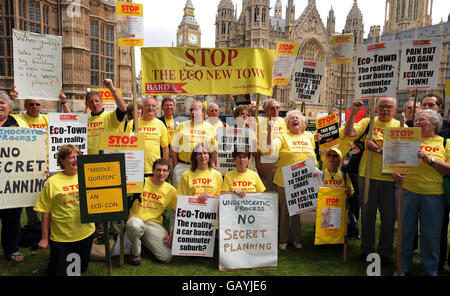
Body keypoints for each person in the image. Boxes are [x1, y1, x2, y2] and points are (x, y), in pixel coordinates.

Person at [392, 110, 450, 276]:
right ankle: (402, 267)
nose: (416, 122)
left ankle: (429, 271)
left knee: (430, 236)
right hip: (407, 191)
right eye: (415, 120)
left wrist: (429, 160)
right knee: (405, 232)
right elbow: (394, 162)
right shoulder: (406, 139)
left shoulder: (445, 142)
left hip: (433, 195)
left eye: (421, 120)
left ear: (434, 124)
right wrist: (395, 173)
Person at [344, 97, 400, 265]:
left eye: (389, 107)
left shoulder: (401, 126)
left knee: (388, 218)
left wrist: (378, 149)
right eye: (382, 106)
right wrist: (354, 111)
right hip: (366, 175)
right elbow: (349, 133)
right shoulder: (368, 122)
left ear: (395, 109)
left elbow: (402, 154)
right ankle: (366, 249)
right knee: (367, 216)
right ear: (376, 108)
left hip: (390, 178)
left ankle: (385, 252)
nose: (385, 110)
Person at [34, 144, 95, 276]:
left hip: (86, 233)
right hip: (62, 237)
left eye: (77, 156)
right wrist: (44, 238)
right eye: (71, 157)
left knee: (80, 269)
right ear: (62, 161)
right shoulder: (52, 182)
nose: (75, 160)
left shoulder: (88, 176)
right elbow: (45, 211)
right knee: (61, 272)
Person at [13, 88, 70, 227]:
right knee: (30, 198)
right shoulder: (19, 119)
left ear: (41, 106)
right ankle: (33, 225)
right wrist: (13, 100)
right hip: (28, 165)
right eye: (31, 104)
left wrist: (63, 102)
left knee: (51, 196)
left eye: (37, 104)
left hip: (48, 165)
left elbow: (69, 119)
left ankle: (50, 224)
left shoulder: (46, 118)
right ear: (25, 106)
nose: (35, 107)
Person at [270, 110, 316, 250]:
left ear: (302, 123)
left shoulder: (309, 136)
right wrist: (269, 134)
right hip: (285, 179)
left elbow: (313, 156)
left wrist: (315, 169)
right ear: (288, 124)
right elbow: (271, 150)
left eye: (297, 118)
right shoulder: (283, 138)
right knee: (285, 211)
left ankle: (295, 239)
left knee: (297, 211)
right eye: (291, 119)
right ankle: (283, 240)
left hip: (303, 180)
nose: (295, 120)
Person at [126, 159, 177, 265]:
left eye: (164, 170)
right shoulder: (140, 182)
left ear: (168, 173)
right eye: (158, 170)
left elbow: (180, 213)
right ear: (153, 170)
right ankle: (135, 252)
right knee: (135, 226)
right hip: (136, 220)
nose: (161, 173)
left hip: (154, 224)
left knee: (166, 257)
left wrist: (172, 235)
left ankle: (143, 240)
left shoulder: (171, 191)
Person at [0, 90, 28, 263]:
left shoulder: (19, 123)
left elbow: (30, 148)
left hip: (12, 181)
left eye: (2, 103)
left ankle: (11, 249)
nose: (0, 106)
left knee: (12, 218)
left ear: (9, 107)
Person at [171, 101, 217, 188]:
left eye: (196, 110)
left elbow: (213, 150)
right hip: (183, 167)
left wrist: (212, 165)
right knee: (181, 196)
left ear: (203, 112)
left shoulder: (211, 129)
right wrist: (176, 166)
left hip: (202, 168)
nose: (192, 112)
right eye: (191, 110)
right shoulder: (181, 126)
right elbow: (174, 148)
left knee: (198, 196)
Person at [82, 79, 128, 155]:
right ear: (86, 104)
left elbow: (123, 109)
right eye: (91, 102)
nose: (94, 104)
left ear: (101, 102)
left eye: (97, 101)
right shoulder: (85, 121)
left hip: (108, 161)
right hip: (90, 162)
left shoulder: (110, 116)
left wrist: (112, 89)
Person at [126, 96, 169, 177]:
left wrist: (164, 167)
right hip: (135, 168)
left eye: (153, 106)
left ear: (157, 109)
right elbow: (125, 147)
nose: (150, 108)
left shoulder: (160, 124)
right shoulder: (132, 123)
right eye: (147, 105)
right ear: (142, 108)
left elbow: (165, 148)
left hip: (155, 169)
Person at [255, 99, 287, 192]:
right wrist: (258, 166)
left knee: (281, 191)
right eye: (272, 108)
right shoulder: (260, 124)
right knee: (268, 191)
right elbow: (256, 146)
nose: (275, 110)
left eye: (277, 108)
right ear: (265, 110)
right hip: (266, 162)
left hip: (282, 161)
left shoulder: (285, 122)